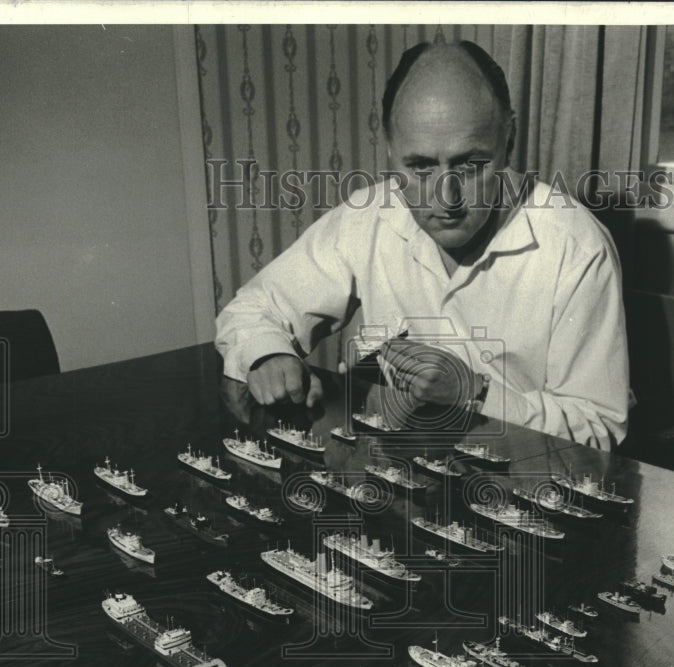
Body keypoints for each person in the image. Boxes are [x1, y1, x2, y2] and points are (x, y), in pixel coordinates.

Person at [214, 40, 629, 451]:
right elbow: (253, 309)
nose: (446, 199)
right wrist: (268, 356)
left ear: (509, 140)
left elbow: (599, 428)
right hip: (403, 476)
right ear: (391, 152)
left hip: (525, 485)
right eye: (421, 167)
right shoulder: (369, 215)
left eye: (470, 165)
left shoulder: (575, 246)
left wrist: (475, 391)